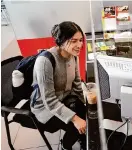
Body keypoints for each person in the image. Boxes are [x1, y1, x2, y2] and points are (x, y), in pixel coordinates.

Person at [30, 21, 86, 150]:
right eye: (74, 41)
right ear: (61, 41)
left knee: (87, 114)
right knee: (75, 125)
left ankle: (83, 139)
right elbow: (49, 100)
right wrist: (74, 118)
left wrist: (86, 102)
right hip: (45, 108)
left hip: (64, 97)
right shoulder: (45, 61)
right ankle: (65, 146)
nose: (80, 45)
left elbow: (77, 83)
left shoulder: (73, 56)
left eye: (81, 40)